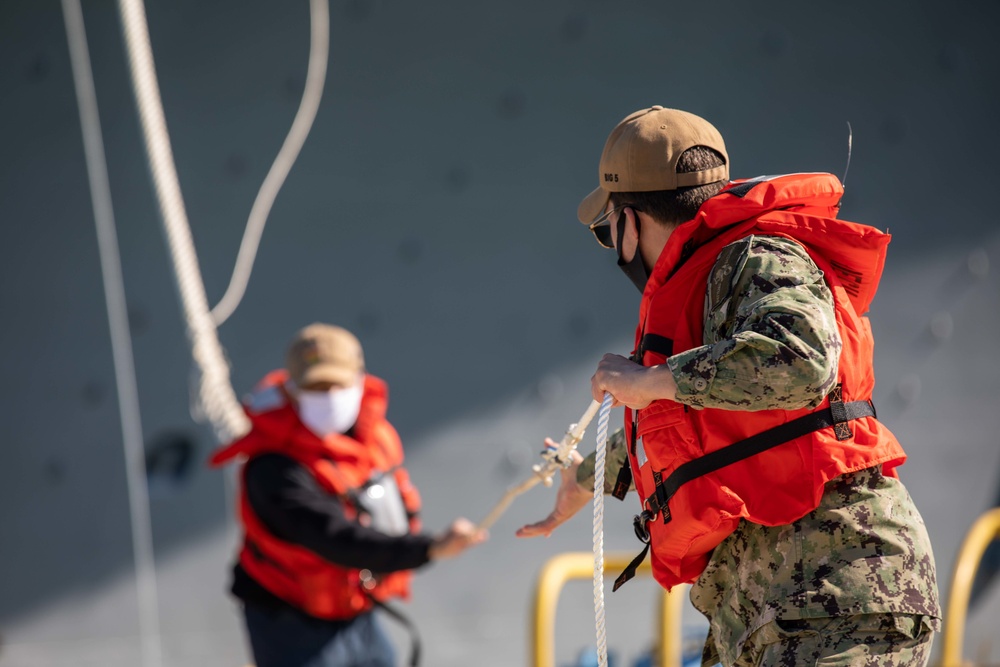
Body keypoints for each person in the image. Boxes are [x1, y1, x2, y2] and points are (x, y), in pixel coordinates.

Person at [518, 106, 940, 666]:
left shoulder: (758, 256)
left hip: (841, 597)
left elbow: (801, 358)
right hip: (774, 613)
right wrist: (580, 478)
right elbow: (699, 431)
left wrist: (654, 379)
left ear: (629, 219)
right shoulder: (711, 281)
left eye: (607, 231)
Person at [210, 323, 486, 667]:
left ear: (360, 380)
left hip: (355, 609)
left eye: (336, 385)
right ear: (292, 390)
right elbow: (332, 537)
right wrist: (429, 548)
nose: (327, 397)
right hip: (290, 620)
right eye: (315, 387)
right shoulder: (273, 466)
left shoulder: (374, 440)